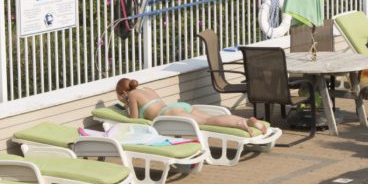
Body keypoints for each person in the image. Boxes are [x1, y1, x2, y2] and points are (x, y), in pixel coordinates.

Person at [114, 78, 269, 133]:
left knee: (208, 122)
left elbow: (133, 118)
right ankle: (248, 120)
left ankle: (243, 124)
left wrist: (126, 103)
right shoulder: (146, 89)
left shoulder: (132, 95)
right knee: (211, 118)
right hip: (178, 106)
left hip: (169, 113)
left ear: (123, 93)